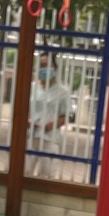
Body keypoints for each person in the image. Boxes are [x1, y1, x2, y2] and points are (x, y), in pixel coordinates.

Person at [26, 49, 72, 179]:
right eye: (42, 66)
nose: (44, 69)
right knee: (25, 173)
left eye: (47, 65)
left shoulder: (62, 92)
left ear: (55, 68)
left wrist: (54, 124)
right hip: (31, 137)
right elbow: (23, 110)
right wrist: (27, 121)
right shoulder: (31, 88)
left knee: (47, 176)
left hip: (50, 139)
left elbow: (66, 116)